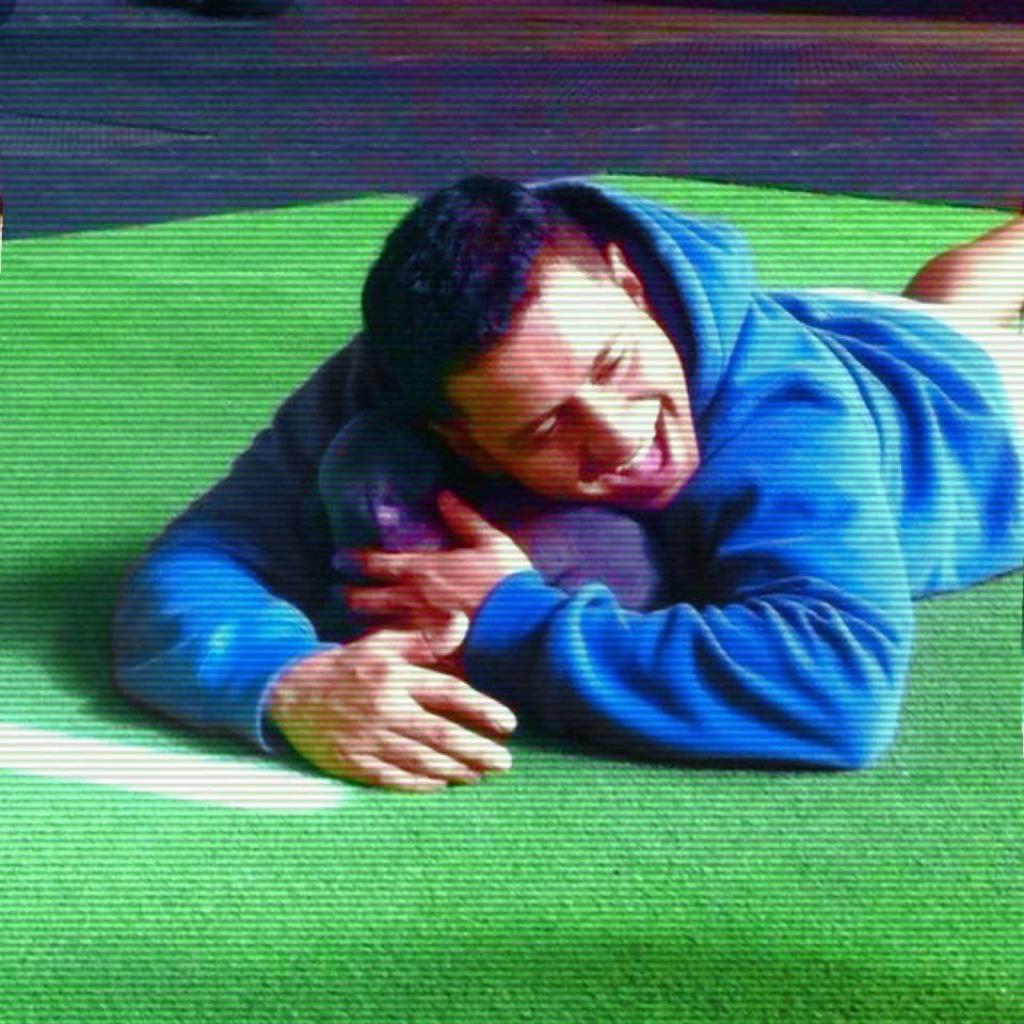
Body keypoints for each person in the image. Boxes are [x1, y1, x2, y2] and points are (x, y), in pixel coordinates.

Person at [111, 175, 1024, 793]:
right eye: (547, 425)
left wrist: (510, 620)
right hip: (855, 321)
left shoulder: (789, 414)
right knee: (945, 302)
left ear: (629, 283)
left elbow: (836, 687)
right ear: (454, 433)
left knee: (958, 325)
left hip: (980, 413)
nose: (625, 436)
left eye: (617, 365)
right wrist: (289, 681)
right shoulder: (398, 372)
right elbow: (203, 555)